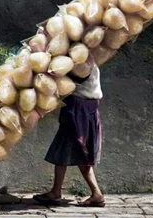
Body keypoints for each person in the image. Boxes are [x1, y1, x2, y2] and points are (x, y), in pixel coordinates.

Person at [33, 55, 105, 207]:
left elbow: (66, 81)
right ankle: (56, 191)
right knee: (62, 149)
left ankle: (96, 193)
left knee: (81, 152)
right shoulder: (88, 59)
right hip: (81, 108)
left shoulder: (83, 63)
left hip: (79, 109)